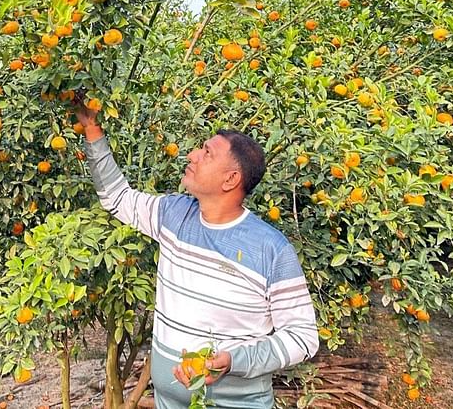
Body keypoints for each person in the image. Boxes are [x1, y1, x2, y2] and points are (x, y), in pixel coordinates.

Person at [76, 105, 319, 408]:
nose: (192, 155)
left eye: (207, 153)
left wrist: (232, 361)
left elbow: (303, 337)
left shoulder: (270, 249)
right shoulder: (174, 215)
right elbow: (117, 198)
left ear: (230, 179)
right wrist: (92, 129)